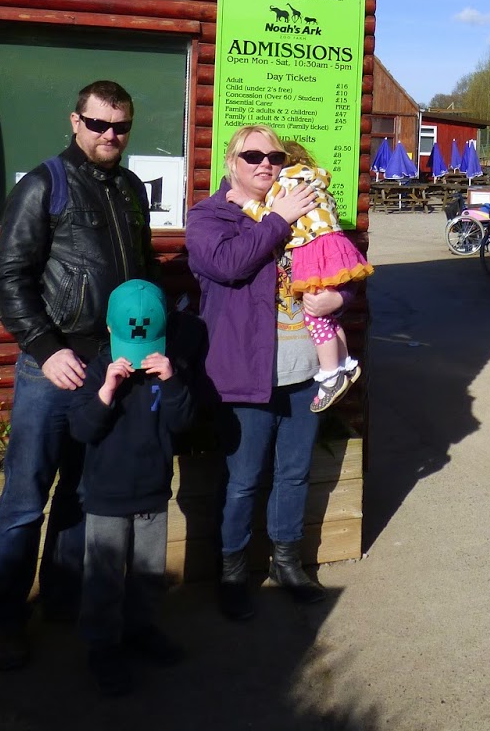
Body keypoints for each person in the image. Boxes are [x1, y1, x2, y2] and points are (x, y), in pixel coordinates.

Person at [0, 80, 158, 671]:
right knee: (26, 496)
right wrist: (45, 347)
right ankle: (2, 619)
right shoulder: (43, 184)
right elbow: (9, 278)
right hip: (51, 366)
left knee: (83, 495)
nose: (111, 135)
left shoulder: (130, 189)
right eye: (100, 124)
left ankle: (62, 601)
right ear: (75, 122)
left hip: (110, 367)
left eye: (121, 126)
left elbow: (144, 273)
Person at [185, 124, 348, 619]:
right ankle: (233, 570)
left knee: (295, 474)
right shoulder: (209, 217)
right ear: (231, 162)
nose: (266, 164)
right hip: (244, 372)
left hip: (303, 368)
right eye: (253, 155)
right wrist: (278, 218)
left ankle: (286, 562)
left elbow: (336, 258)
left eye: (275, 156)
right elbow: (228, 264)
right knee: (244, 479)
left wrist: (342, 295)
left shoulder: (302, 207)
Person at [69, 279, 198, 696]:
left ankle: (141, 631)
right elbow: (82, 429)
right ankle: (102, 647)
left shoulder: (167, 366)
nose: (138, 359)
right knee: (104, 577)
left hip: (152, 492)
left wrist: (173, 381)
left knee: (147, 573)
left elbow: (183, 423)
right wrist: (106, 391)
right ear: (108, 329)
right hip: (106, 496)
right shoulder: (97, 369)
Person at [239, 139, 371, 412]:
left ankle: (331, 375)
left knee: (315, 316)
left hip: (312, 250)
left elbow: (270, 216)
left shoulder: (285, 185)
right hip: (335, 248)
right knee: (327, 315)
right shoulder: (317, 185)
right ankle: (344, 363)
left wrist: (245, 202)